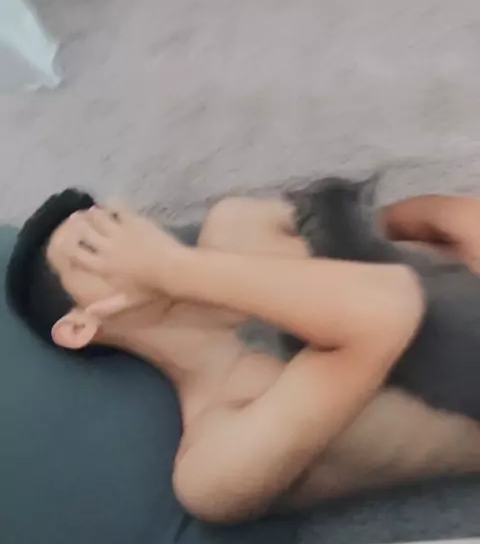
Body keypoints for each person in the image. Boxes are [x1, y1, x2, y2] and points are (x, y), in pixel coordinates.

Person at [6, 187, 480, 524]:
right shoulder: (212, 461)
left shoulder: (238, 226)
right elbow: (386, 310)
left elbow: (398, 220)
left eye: (112, 220)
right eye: (92, 247)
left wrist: (458, 221)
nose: (126, 238)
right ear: (79, 327)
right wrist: (168, 268)